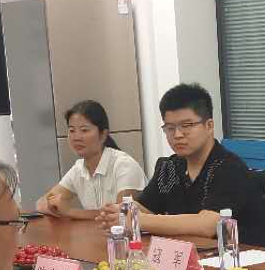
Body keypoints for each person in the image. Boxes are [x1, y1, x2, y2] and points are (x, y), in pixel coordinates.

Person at [97, 83, 253, 239]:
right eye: (170, 128)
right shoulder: (170, 167)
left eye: (187, 126)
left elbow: (207, 225)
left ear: (209, 126)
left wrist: (137, 219)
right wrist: (120, 213)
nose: (177, 135)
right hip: (186, 250)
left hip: (235, 252)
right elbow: (146, 207)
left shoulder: (229, 167)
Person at [36, 99, 146, 219]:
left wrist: (69, 212)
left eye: (84, 130)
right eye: (72, 130)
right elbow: (41, 204)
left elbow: (123, 214)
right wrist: (53, 205)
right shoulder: (79, 169)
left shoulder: (124, 165)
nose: (76, 137)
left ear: (103, 134)